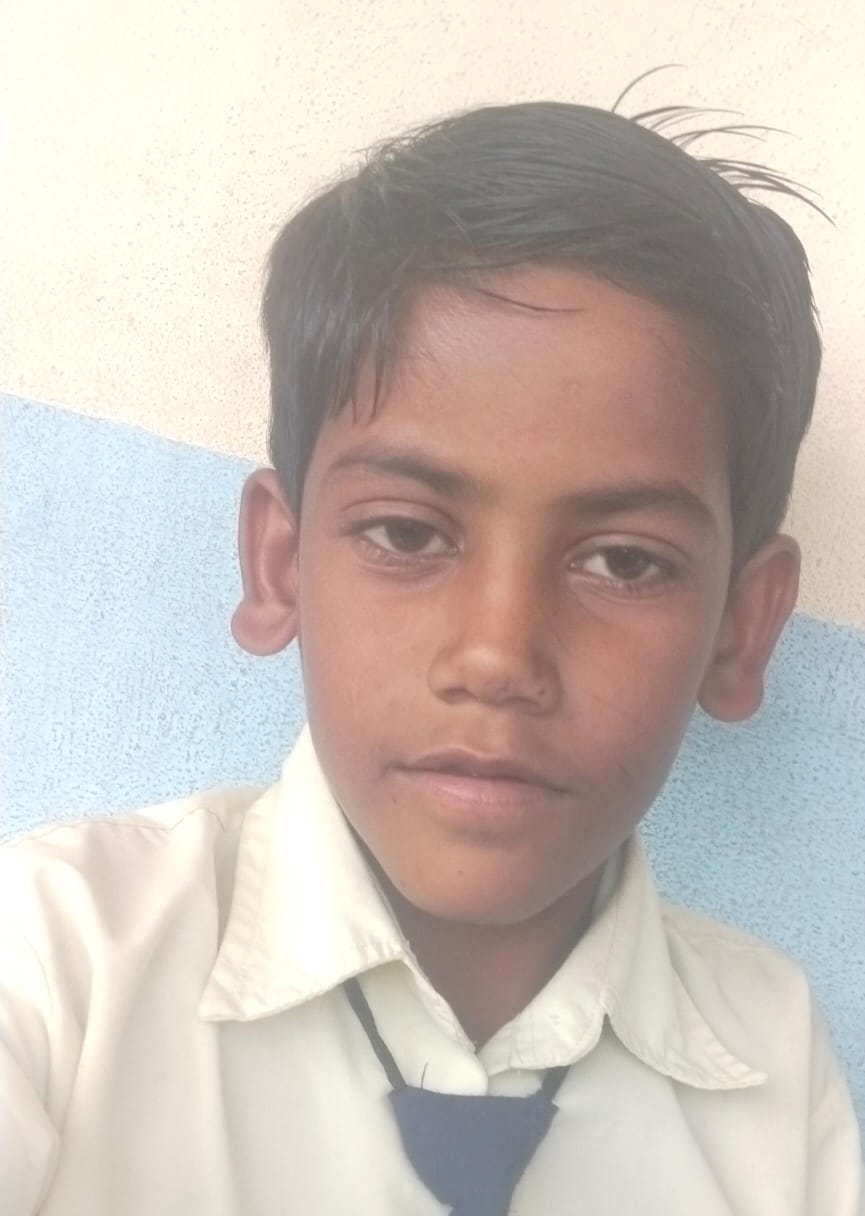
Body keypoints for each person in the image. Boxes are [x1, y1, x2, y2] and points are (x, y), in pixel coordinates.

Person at [1, 99, 862, 1215]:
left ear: (741, 627)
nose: (497, 656)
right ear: (280, 564)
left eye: (623, 561)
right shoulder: (60, 962)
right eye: (406, 535)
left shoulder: (769, 1062)